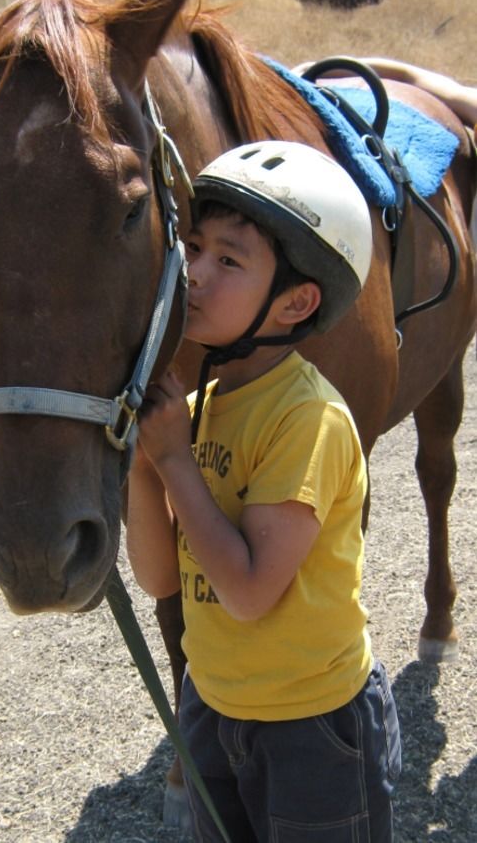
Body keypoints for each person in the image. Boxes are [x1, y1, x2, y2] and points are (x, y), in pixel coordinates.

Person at [126, 140, 401, 842]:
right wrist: (141, 464)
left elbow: (250, 593)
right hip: (214, 704)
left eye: (228, 260)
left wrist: (177, 465)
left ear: (296, 301)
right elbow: (162, 577)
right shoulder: (201, 406)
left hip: (314, 726)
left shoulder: (307, 419)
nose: (193, 274)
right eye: (193, 249)